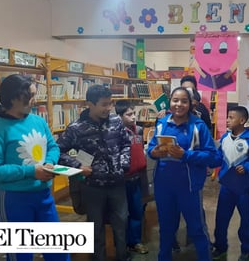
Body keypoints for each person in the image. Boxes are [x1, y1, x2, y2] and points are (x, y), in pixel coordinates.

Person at [0, 74, 70, 261]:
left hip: (44, 196)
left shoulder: (38, 121)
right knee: (20, 255)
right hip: (13, 200)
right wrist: (31, 171)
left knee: (58, 252)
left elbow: (52, 146)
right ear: (14, 98)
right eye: (30, 95)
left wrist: (50, 163)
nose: (34, 100)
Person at [56, 85, 131, 261]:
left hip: (117, 184)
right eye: (104, 104)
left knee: (121, 223)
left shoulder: (116, 121)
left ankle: (123, 256)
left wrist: (124, 163)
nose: (108, 108)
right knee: (95, 227)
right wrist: (77, 165)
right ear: (89, 104)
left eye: (110, 103)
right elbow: (58, 151)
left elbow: (125, 144)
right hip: (92, 187)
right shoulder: (76, 128)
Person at [147, 87, 217, 261]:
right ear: (170, 102)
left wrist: (186, 155)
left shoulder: (198, 126)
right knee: (166, 228)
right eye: (175, 100)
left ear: (191, 104)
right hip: (163, 186)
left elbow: (214, 157)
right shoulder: (162, 123)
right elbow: (150, 148)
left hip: (189, 187)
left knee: (196, 229)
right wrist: (153, 152)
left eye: (184, 101)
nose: (179, 105)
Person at [210, 106, 249, 261]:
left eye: (231, 117)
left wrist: (247, 167)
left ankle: (247, 250)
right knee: (221, 219)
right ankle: (220, 247)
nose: (227, 120)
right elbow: (219, 157)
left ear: (242, 120)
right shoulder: (225, 138)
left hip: (244, 188)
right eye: (227, 117)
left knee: (246, 221)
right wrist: (207, 161)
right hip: (226, 187)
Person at [115, 100, 148, 255]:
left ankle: (135, 241)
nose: (133, 117)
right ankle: (122, 245)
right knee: (122, 214)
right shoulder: (115, 133)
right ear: (119, 116)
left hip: (137, 178)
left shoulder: (139, 130)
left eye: (134, 113)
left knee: (137, 211)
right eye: (129, 114)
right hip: (121, 180)